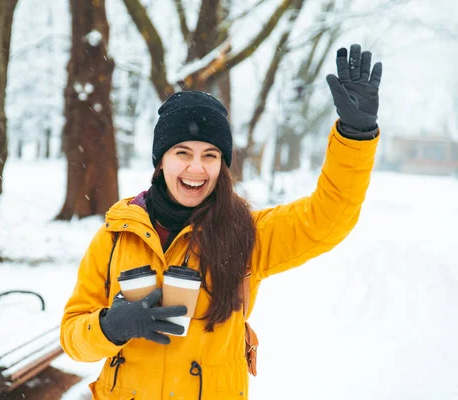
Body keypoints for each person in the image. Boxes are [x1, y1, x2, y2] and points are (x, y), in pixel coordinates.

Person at [60, 44, 382, 399]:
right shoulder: (116, 235)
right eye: (182, 153)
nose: (196, 168)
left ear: (222, 165)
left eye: (210, 156)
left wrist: (355, 137)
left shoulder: (246, 235)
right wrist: (110, 327)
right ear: (160, 161)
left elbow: (328, 216)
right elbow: (74, 339)